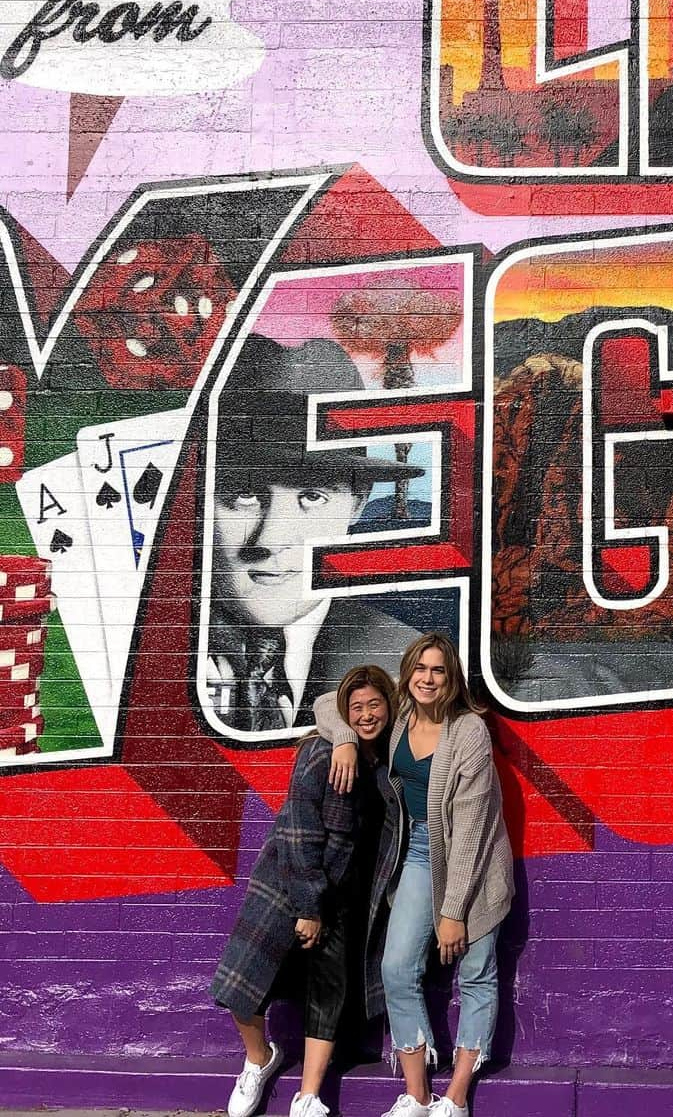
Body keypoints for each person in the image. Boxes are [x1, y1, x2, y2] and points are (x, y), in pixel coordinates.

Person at [314, 632, 514, 1117]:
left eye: (438, 670)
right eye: (420, 668)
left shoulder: (469, 732)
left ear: (452, 679)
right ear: (408, 673)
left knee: (476, 973)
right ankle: (418, 1094)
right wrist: (343, 741)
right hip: (420, 855)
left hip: (477, 864)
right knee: (396, 968)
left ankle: (457, 1096)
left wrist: (453, 914)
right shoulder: (399, 718)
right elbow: (327, 702)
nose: (427, 678)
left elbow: (469, 833)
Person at [203, 332, 426, 735]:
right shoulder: (136, 653)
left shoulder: (410, 666)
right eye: (244, 495)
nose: (271, 539)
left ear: (357, 503)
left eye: (312, 496)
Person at [211, 663, 402, 1117]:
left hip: (348, 894)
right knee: (243, 982)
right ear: (344, 712)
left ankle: (309, 1094)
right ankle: (260, 1058)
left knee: (328, 989)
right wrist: (309, 906)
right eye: (356, 707)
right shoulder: (321, 753)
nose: (367, 714)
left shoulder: (388, 758)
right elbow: (300, 833)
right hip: (290, 883)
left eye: (375, 704)